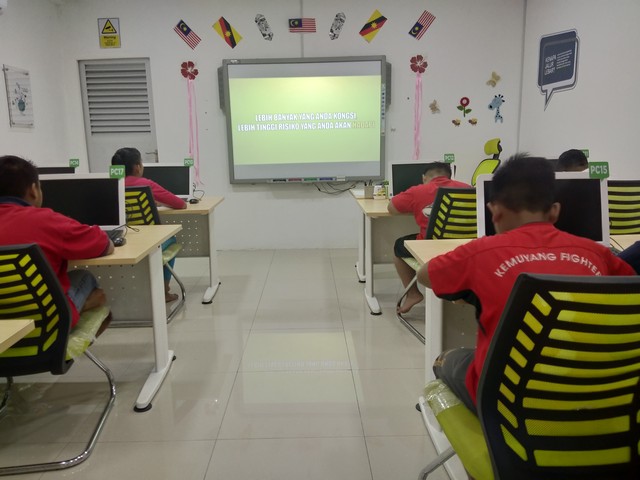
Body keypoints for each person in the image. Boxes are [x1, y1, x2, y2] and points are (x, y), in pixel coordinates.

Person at [416, 154, 635, 413]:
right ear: (555, 211)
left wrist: (476, 290)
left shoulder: (479, 253)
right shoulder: (598, 254)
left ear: (494, 210)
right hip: (603, 398)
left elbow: (425, 275)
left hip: (509, 408)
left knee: (447, 359)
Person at [0, 155, 114, 328]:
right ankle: (75, 315)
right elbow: (104, 245)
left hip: (4, 332)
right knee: (86, 278)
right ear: (33, 190)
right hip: (47, 324)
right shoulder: (44, 221)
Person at [388, 162, 471, 313]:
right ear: (450, 176)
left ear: (424, 178)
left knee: (398, 246)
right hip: (465, 249)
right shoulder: (468, 189)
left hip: (431, 249)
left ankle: (413, 294)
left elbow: (392, 209)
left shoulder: (418, 191)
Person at [111, 147, 186, 302]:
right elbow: (180, 204)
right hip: (148, 241)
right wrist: (157, 202)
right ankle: (164, 291)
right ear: (137, 167)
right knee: (171, 240)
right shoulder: (145, 184)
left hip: (119, 240)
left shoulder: (109, 184)